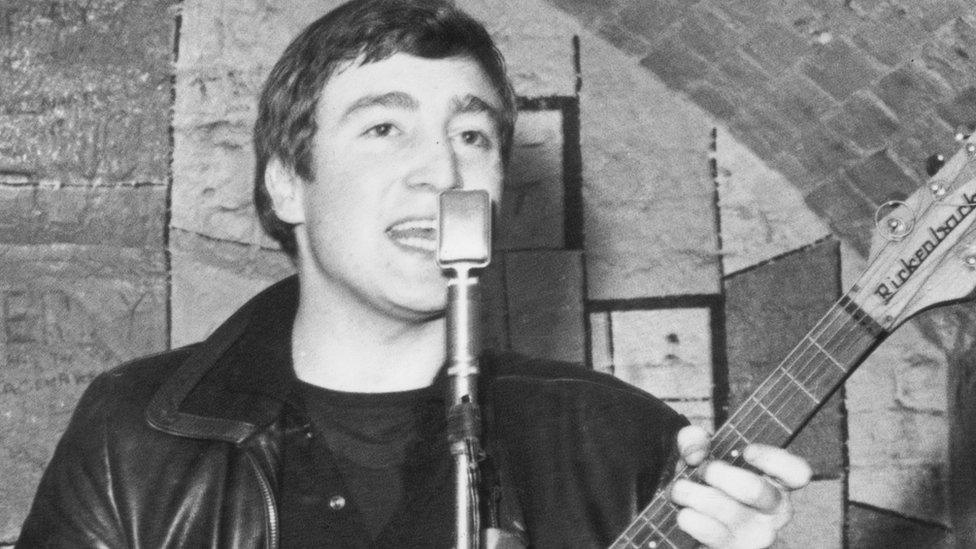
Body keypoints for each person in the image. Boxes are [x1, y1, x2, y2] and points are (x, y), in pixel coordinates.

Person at [16, 0, 812, 547]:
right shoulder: (138, 431)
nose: (441, 169)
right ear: (288, 182)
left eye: (472, 136)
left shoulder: (624, 440)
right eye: (385, 127)